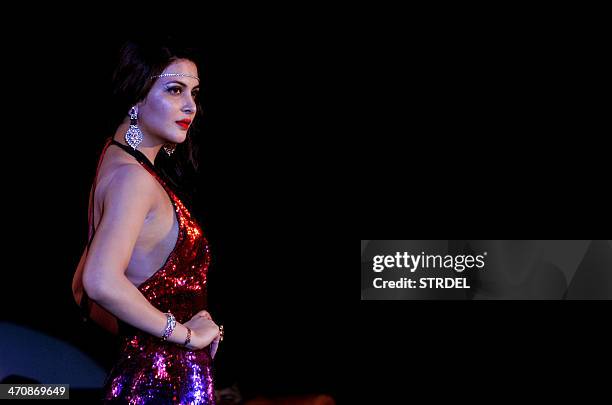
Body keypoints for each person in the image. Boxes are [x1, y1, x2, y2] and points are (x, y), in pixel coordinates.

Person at [71, 38, 223, 404]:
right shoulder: (133, 179)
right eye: (174, 90)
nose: (191, 106)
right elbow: (97, 281)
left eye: (194, 92)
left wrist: (142, 333)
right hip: (164, 383)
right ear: (136, 96)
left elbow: (79, 289)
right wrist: (184, 335)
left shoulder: (115, 161)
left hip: (147, 375)